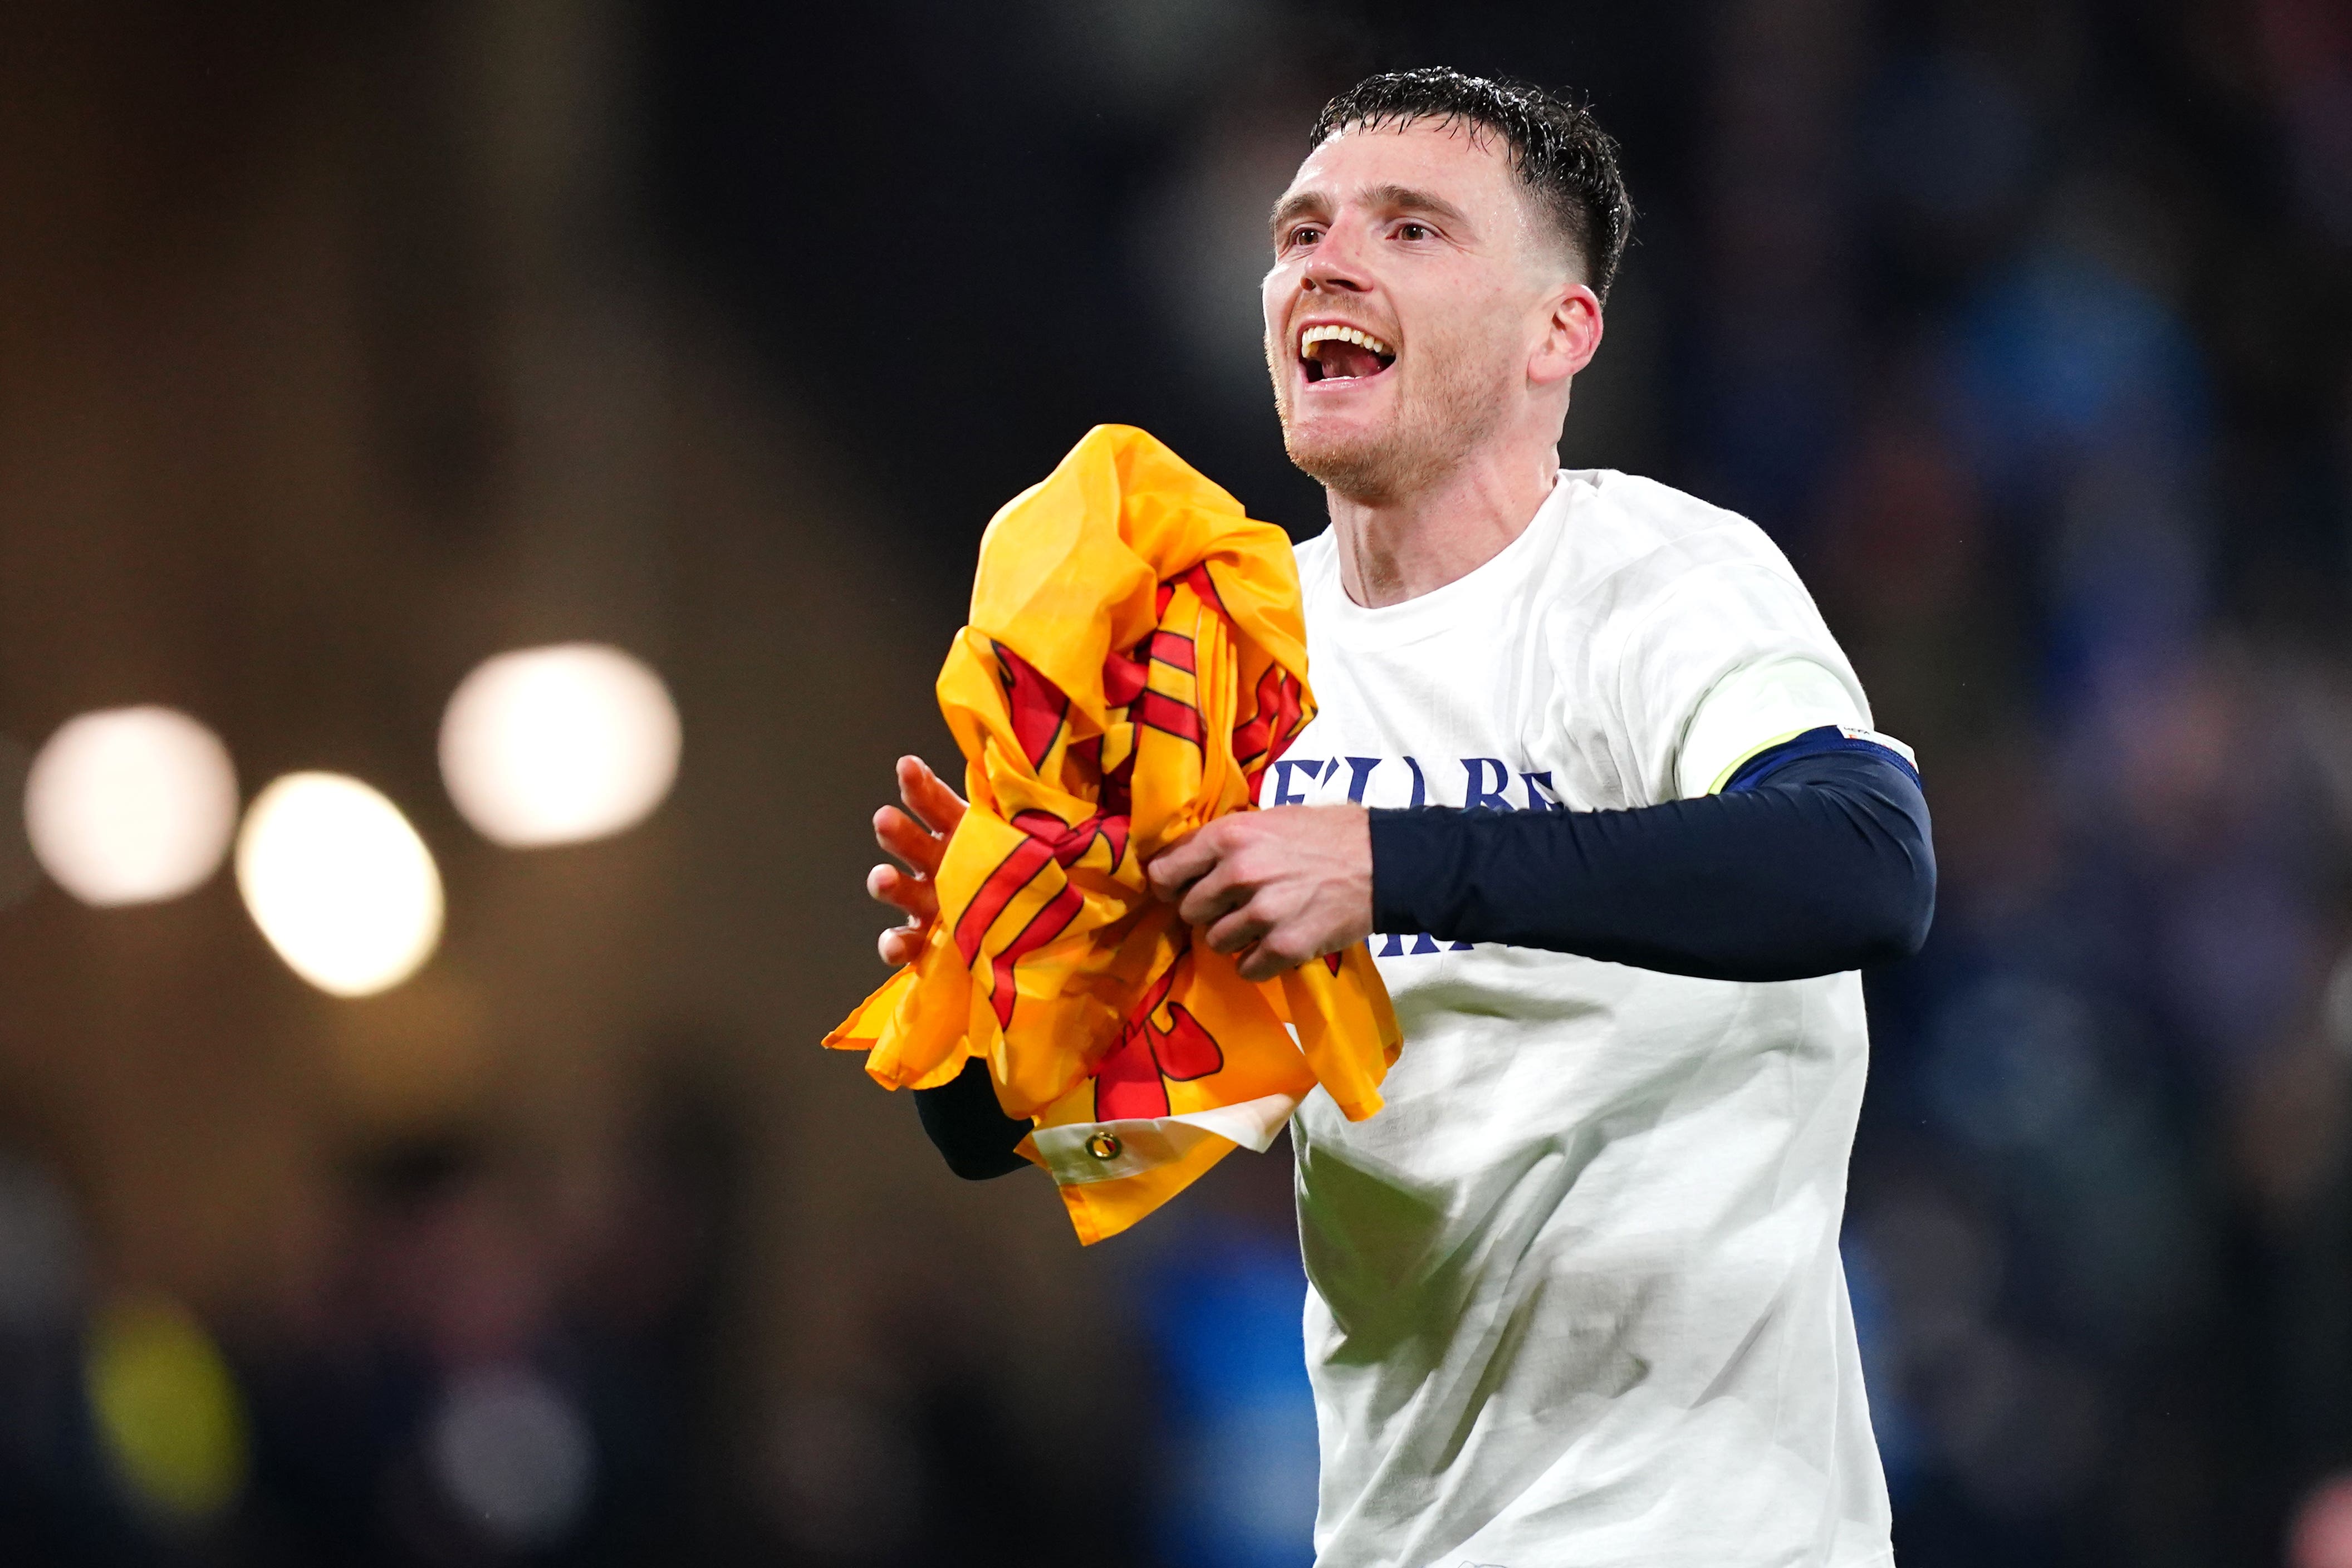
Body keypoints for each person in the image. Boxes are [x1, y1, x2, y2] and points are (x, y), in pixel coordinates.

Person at [864, 68, 1930, 1568]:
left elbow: (1866, 864)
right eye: (1299, 231)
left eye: (1413, 228)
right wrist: (995, 976)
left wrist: (1390, 860)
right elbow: (1029, 1132)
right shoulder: (1226, 673)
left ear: (1558, 331)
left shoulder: (1661, 582)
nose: (1326, 260)